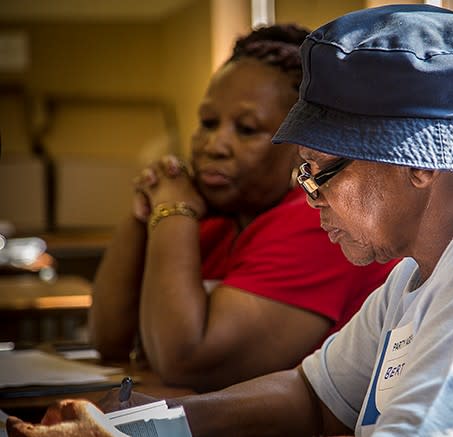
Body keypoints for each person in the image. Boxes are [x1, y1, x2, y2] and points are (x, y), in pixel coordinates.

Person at [8, 4, 453, 436]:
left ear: (420, 164)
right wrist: (131, 428)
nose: (307, 197)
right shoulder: (423, 266)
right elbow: (310, 396)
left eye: (319, 171)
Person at [88, 23, 398, 392]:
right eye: (207, 123)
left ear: (302, 146)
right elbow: (109, 341)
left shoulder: (320, 219)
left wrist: (172, 210)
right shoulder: (217, 217)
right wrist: (146, 212)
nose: (214, 145)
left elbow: (188, 362)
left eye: (247, 129)